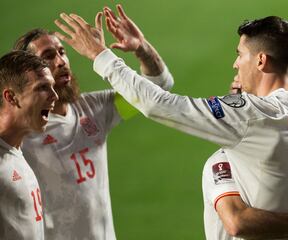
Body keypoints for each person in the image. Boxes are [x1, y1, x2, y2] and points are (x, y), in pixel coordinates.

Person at [54, 7, 288, 239]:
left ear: (261, 61)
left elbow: (161, 104)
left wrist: (100, 55)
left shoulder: (249, 117)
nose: (235, 64)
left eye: (240, 55)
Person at [13, 12, 174, 240]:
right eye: (48, 56)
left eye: (62, 52)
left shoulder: (94, 108)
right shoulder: (19, 135)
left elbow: (159, 88)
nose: (60, 61)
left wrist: (141, 48)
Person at [0, 50, 58, 240]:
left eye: (52, 87)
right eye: (42, 87)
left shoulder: (15, 152)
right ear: (11, 97)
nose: (54, 96)